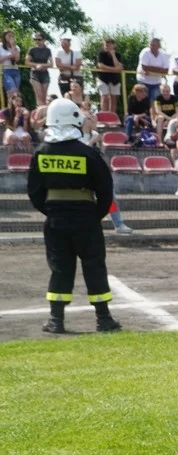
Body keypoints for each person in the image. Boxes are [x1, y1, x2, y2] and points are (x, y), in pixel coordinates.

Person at [27, 99, 121, 333]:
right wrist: (95, 214)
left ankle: (56, 320)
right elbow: (105, 190)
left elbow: (34, 192)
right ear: (75, 120)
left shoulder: (41, 154)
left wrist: (51, 211)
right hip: (86, 219)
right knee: (94, 266)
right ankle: (103, 319)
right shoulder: (88, 153)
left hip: (56, 220)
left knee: (60, 268)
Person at [92, 38, 122, 114]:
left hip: (114, 79)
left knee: (113, 98)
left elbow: (119, 67)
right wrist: (114, 69)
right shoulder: (101, 54)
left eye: (109, 44)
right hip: (103, 78)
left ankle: (112, 115)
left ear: (113, 45)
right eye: (105, 44)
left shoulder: (117, 54)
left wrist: (113, 55)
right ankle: (104, 115)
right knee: (104, 97)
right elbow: (100, 65)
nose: (106, 46)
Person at [25, 33, 52, 106]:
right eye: (35, 39)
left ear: (43, 40)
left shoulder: (48, 50)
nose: (37, 41)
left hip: (45, 74)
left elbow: (51, 64)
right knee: (39, 95)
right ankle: (40, 113)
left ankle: (43, 113)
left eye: (39, 39)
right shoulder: (32, 50)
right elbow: (27, 62)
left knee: (44, 96)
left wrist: (41, 65)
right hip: (35, 74)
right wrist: (36, 65)